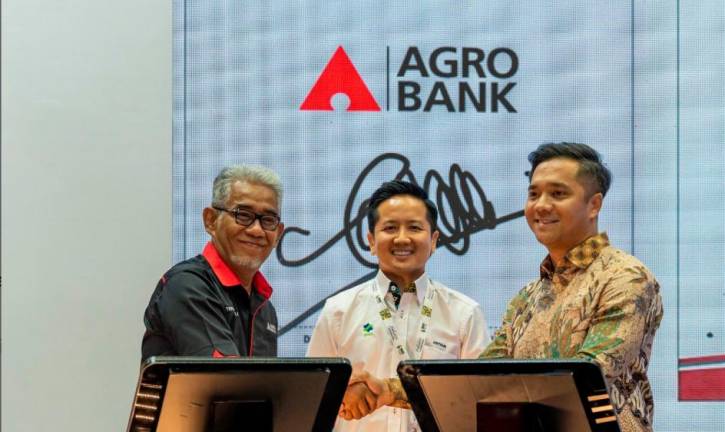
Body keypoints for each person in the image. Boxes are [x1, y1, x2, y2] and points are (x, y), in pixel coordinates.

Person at [352, 143, 663, 432]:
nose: (541, 206)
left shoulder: (625, 278)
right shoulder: (528, 297)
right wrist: (388, 390)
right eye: (534, 194)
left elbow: (585, 377)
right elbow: (482, 377)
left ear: (594, 204)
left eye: (557, 194)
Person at [307, 180, 489, 432]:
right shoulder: (338, 311)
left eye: (414, 228)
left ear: (434, 240)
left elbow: (480, 400)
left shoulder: (465, 313)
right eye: (390, 228)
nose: (402, 238)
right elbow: (314, 401)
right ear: (371, 241)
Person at [141, 165, 285, 361]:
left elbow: (263, 384)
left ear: (278, 233)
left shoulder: (264, 308)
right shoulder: (187, 286)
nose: (256, 230)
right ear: (210, 220)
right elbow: (225, 378)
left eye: (268, 220)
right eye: (243, 215)